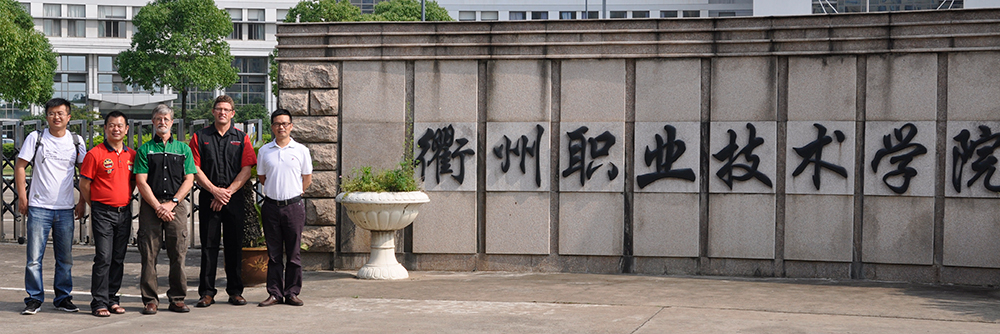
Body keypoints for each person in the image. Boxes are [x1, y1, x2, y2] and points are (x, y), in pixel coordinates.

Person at [16, 98, 87, 315]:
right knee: (34, 258)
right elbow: (20, 167)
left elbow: (85, 174)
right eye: (52, 113)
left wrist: (82, 201)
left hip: (65, 208)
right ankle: (34, 298)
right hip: (38, 206)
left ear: (69, 117)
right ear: (46, 116)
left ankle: (63, 298)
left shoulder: (76, 141)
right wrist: (22, 197)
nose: (56, 117)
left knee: (65, 258)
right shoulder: (36, 138)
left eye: (60, 113)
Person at [190, 95, 257, 307]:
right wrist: (214, 191)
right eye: (219, 109)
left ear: (232, 113)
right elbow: (194, 168)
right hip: (209, 198)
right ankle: (207, 293)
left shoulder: (241, 137)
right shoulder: (200, 137)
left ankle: (235, 291)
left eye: (226, 109)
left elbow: (247, 168)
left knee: (234, 246)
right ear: (213, 112)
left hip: (234, 199)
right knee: (208, 247)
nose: (222, 112)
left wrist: (226, 192)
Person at [134, 104, 197, 315]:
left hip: (176, 206)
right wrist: (158, 206)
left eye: (166, 119)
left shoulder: (183, 149)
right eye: (158, 119)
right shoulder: (144, 150)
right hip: (151, 206)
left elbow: (189, 179)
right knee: (148, 254)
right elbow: (141, 181)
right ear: (153, 122)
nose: (162, 122)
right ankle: (150, 300)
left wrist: (173, 203)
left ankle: (177, 298)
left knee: (178, 253)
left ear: (172, 122)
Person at [79, 111, 135, 317]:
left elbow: (133, 182)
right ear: (105, 128)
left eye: (120, 125)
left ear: (126, 129)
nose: (116, 129)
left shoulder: (132, 155)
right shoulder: (95, 154)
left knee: (118, 257)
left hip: (125, 212)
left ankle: (112, 298)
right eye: (112, 125)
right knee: (103, 257)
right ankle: (99, 302)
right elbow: (84, 184)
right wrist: (94, 203)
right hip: (102, 212)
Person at [256, 109, 312, 307]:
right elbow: (262, 178)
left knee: (294, 253)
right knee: (273, 254)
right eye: (277, 124)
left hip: (293, 207)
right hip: (271, 207)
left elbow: (307, 179)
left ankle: (292, 292)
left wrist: (293, 193)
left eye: (285, 123)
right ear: (272, 127)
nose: (281, 127)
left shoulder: (301, 151)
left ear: (291, 126)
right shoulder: (264, 151)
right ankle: (274, 293)